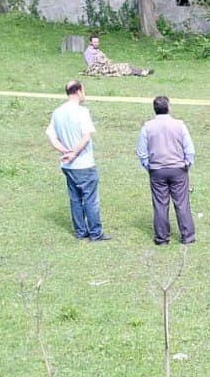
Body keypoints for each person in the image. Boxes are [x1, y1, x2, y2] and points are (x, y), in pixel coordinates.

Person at [45, 80, 111, 241]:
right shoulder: (82, 112)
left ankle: (80, 231)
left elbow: (51, 136)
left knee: (75, 198)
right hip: (84, 163)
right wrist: (74, 153)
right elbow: (86, 136)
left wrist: (64, 151)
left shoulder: (57, 112)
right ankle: (95, 232)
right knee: (90, 199)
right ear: (79, 91)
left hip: (67, 165)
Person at [136, 96, 196, 245]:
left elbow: (142, 152)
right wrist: (186, 164)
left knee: (160, 204)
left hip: (157, 170)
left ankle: (162, 238)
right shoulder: (179, 125)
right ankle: (187, 236)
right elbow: (189, 149)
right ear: (169, 107)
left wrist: (149, 167)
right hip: (178, 169)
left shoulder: (147, 127)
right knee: (182, 203)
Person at [82, 35, 153, 77]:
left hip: (106, 66)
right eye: (94, 42)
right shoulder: (88, 52)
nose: (97, 43)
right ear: (90, 42)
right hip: (100, 69)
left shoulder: (97, 50)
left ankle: (142, 71)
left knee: (125, 65)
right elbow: (91, 65)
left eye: (97, 42)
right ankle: (141, 73)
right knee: (123, 66)